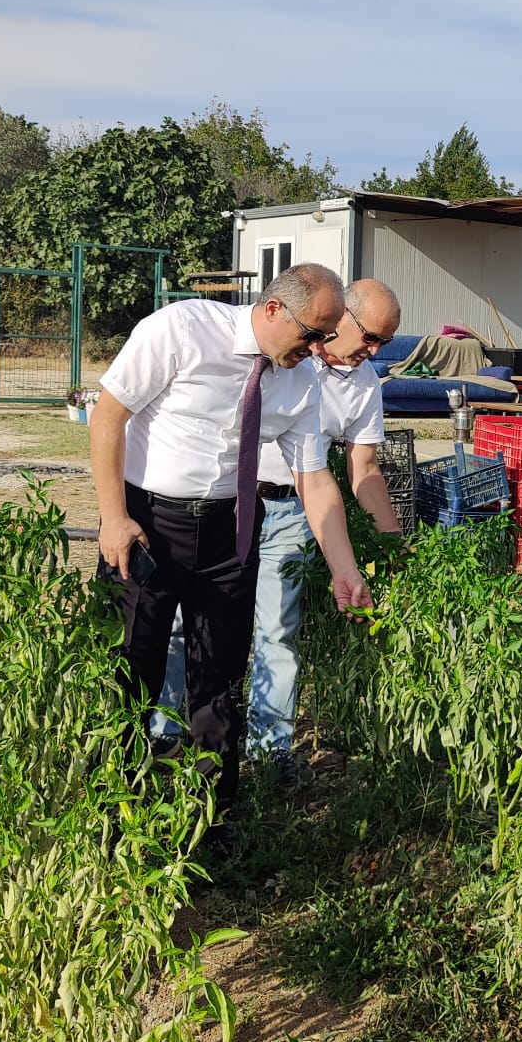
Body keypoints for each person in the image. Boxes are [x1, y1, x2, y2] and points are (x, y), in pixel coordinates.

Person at [89, 264, 374, 813]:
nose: (318, 349)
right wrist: (113, 517)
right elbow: (108, 416)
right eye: (311, 334)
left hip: (230, 531)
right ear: (273, 309)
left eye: (327, 336)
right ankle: (114, 820)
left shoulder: (300, 379)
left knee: (218, 682)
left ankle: (211, 822)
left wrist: (345, 569)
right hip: (147, 525)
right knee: (129, 675)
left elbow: (315, 479)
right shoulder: (182, 329)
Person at [158, 279, 405, 769]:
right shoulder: (282, 351)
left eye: (385, 342)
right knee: (187, 623)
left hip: (293, 511)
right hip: (233, 503)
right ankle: (164, 732)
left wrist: (391, 542)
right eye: (370, 337)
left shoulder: (363, 384)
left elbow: (364, 469)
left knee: (277, 631)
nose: (375, 351)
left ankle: (270, 751)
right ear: (341, 318)